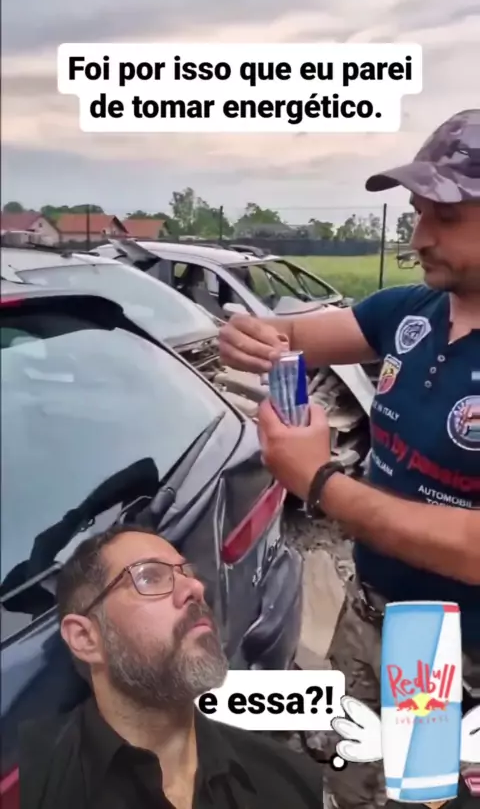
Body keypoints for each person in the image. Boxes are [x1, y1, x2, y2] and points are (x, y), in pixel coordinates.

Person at [218, 108, 480, 809]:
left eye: (445, 217)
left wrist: (319, 482)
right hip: (375, 614)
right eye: (417, 213)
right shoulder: (408, 312)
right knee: (353, 783)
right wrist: (249, 335)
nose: (419, 238)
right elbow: (286, 335)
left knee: (427, 795)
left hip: (461, 652)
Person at [19, 522, 324, 809]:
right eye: (150, 577)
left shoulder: (290, 784)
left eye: (187, 573)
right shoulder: (35, 785)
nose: (195, 588)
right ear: (86, 638)